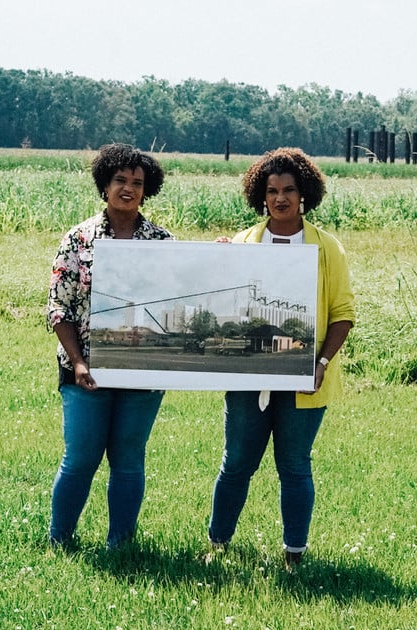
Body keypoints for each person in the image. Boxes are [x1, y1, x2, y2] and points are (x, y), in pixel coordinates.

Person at [206, 147, 355, 570]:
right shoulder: (243, 243)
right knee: (236, 463)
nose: (281, 198)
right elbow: (222, 303)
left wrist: (320, 364)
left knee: (293, 466)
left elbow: (343, 315)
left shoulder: (327, 248)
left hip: (305, 380)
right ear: (262, 196)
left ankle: (295, 554)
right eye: (272, 191)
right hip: (247, 377)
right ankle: (218, 545)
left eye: (289, 189)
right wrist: (215, 261)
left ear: (304, 193)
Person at [46, 143, 173, 550]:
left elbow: (186, 292)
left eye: (137, 183)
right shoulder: (78, 239)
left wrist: (221, 256)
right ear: (105, 186)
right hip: (86, 372)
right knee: (81, 459)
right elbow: (58, 307)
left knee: (128, 461)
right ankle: (60, 539)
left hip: (143, 369)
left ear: (146, 190)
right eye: (120, 180)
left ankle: (121, 544)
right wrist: (79, 363)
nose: (128, 189)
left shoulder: (163, 242)